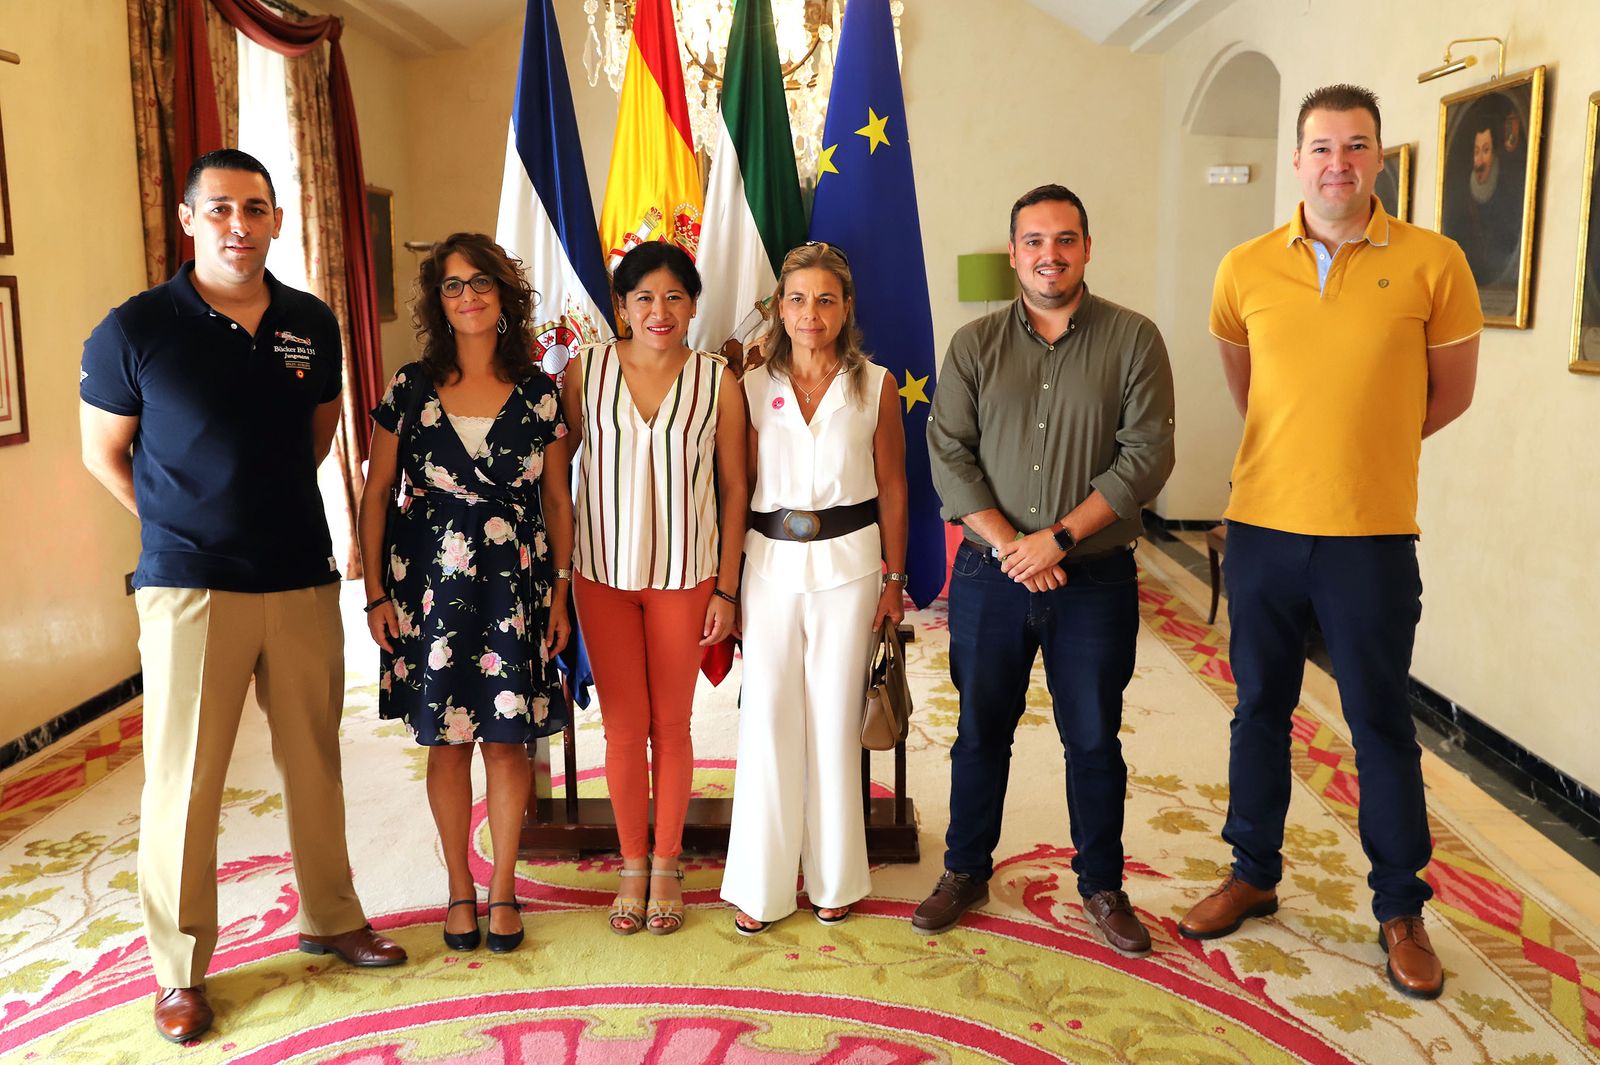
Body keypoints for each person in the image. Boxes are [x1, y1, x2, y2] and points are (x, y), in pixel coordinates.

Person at [78, 149, 405, 1044]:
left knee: (315, 762)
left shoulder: (309, 321)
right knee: (185, 781)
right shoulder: (136, 327)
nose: (238, 224)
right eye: (219, 208)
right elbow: (104, 453)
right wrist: (183, 522)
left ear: (275, 220)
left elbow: (318, 430)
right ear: (189, 220)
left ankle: (334, 916)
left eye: (255, 208)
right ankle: (179, 971)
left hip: (298, 574)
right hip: (189, 587)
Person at [1180, 84, 1481, 1002]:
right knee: (1258, 710)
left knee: (1381, 724)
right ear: (1298, 159)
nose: (1337, 162)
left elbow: (1451, 394)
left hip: (1372, 538)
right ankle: (1252, 870)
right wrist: (1301, 453)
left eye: (1356, 145)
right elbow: (1251, 387)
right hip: (1264, 529)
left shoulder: (1436, 261)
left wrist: (1363, 451)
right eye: (1320, 146)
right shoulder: (1245, 266)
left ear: (1379, 158)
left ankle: (1400, 908)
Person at [919, 184, 1176, 956]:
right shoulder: (972, 345)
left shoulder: (1134, 339)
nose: (1050, 255)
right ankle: (965, 869)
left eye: (1065, 240)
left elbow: (1147, 457)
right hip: (989, 576)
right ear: (1013, 253)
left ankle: (1101, 884)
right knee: (978, 731)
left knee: (1093, 738)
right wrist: (1012, 545)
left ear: (1087, 249)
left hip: (1092, 577)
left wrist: (1057, 539)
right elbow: (948, 454)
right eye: (1034, 241)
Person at [358, 232, 573, 956]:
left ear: (504, 296)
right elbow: (377, 491)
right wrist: (377, 593)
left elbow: (558, 501)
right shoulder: (409, 388)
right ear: (437, 301)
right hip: (432, 594)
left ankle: (505, 887)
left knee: (508, 747)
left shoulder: (541, 393)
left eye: (481, 282)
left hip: (517, 589)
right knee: (448, 746)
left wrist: (563, 594)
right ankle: (458, 885)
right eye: (452, 285)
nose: (468, 295)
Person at [719, 242, 908, 935]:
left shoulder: (875, 384)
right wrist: (730, 583)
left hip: (850, 569)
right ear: (777, 307)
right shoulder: (746, 388)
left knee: (834, 722)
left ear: (847, 308)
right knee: (767, 720)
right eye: (797, 298)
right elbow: (734, 489)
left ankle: (834, 877)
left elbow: (893, 484)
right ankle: (761, 884)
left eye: (826, 299)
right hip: (768, 564)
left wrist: (894, 577)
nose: (811, 312)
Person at [560, 241, 747, 936]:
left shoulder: (715, 380)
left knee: (672, 723)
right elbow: (557, 468)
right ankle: (631, 863)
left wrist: (726, 588)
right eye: (643, 297)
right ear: (621, 307)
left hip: (685, 574)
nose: (658, 311)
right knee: (621, 725)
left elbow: (735, 486)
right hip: (600, 572)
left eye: (674, 296)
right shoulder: (588, 371)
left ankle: (667, 862)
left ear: (693, 303)